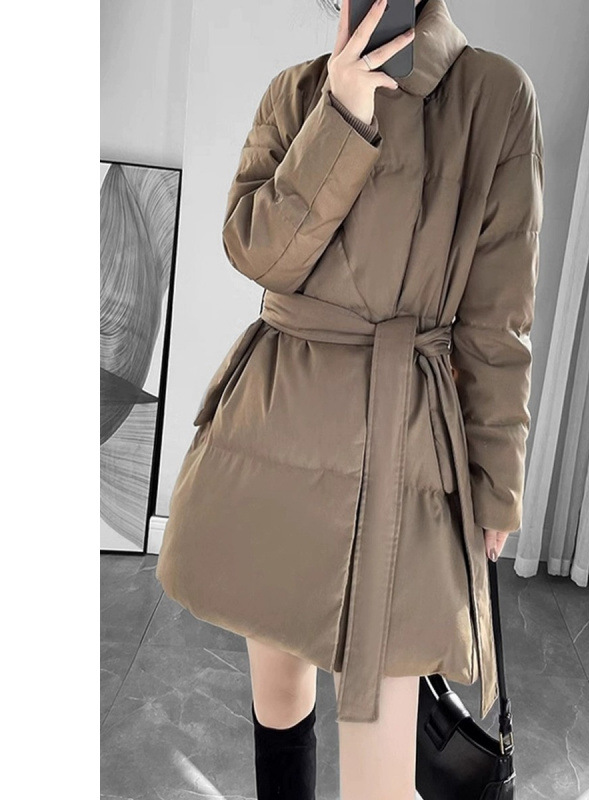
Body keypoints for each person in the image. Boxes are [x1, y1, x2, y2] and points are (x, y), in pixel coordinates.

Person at [154, 0, 544, 798]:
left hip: (401, 446)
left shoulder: (496, 95)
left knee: (381, 768)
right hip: (275, 425)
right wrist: (341, 114)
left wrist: (496, 480)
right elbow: (257, 253)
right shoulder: (294, 93)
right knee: (279, 697)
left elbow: (498, 321)